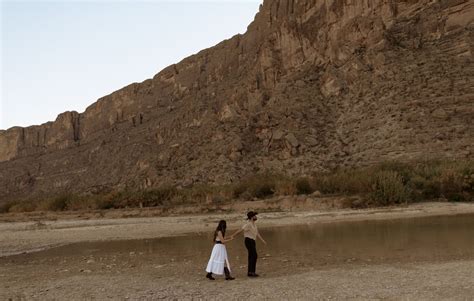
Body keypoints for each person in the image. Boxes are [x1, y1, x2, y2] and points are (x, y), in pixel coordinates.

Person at [230, 211, 267, 277]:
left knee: (251, 256)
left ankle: (250, 272)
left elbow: (257, 233)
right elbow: (240, 230)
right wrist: (233, 235)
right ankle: (251, 272)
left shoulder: (254, 224)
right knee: (254, 255)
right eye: (255, 216)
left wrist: (262, 240)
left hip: (253, 241)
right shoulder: (248, 224)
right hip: (248, 241)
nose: (256, 217)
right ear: (252, 217)